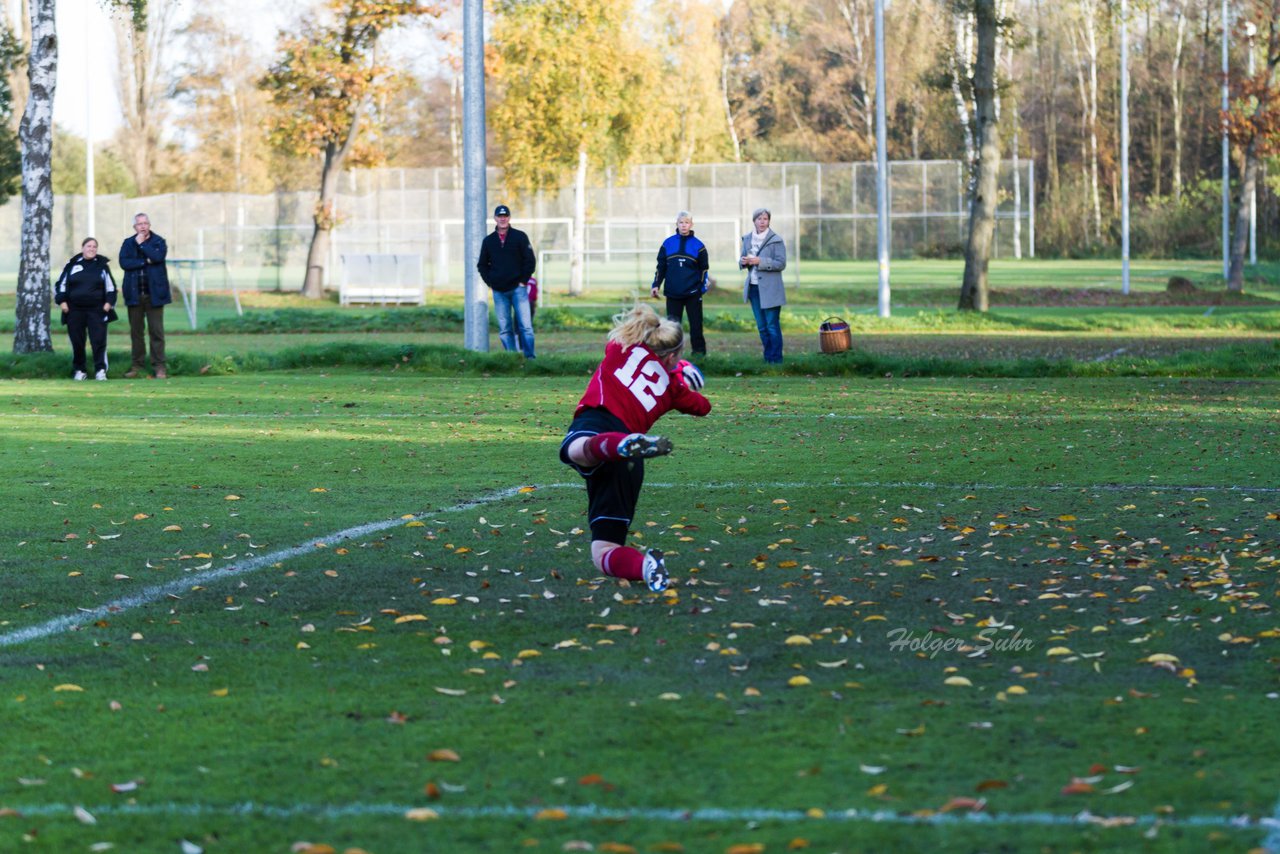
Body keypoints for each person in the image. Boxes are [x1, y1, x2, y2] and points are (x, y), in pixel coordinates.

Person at [559, 303, 711, 592]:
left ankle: (621, 444)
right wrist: (680, 375)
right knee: (604, 551)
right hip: (630, 464)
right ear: (676, 354)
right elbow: (703, 407)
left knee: (575, 450)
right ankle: (646, 567)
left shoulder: (622, 348)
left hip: (600, 422)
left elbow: (622, 342)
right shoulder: (673, 388)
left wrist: (675, 365)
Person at [476, 204, 536, 358]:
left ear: (509, 218)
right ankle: (512, 359)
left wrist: (523, 281)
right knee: (504, 328)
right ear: (495, 218)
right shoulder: (489, 241)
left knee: (526, 327)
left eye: (505, 216)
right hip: (499, 291)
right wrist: (491, 282)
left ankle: (530, 358)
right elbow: (482, 264)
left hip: (518, 289)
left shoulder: (520, 236)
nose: (502, 219)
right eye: (499, 216)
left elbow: (530, 260)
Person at [54, 238, 118, 381]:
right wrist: (62, 302)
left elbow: (111, 288)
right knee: (77, 341)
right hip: (74, 310)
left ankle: (100, 370)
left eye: (94, 246)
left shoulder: (102, 266)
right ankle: (79, 370)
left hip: (97, 310)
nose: (92, 249)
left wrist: (108, 305)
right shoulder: (72, 265)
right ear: (82, 248)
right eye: (89, 246)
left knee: (98, 341)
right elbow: (60, 285)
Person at [118, 212, 172, 379]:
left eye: (145, 223)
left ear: (149, 225)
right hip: (134, 295)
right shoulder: (128, 243)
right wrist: (144, 262)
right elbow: (124, 263)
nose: (142, 226)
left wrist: (142, 246)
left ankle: (159, 367)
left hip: (154, 296)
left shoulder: (158, 242)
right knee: (136, 333)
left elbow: (157, 257)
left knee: (156, 332)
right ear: (135, 227)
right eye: (139, 224)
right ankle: (137, 366)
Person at [650, 210, 709, 356]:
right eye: (681, 222)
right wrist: (656, 284)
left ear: (691, 224)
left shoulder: (699, 246)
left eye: (687, 222)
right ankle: (672, 355)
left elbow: (704, 269)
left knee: (696, 326)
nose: (684, 225)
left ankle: (699, 354)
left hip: (693, 293)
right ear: (677, 224)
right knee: (672, 328)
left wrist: (701, 288)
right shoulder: (667, 244)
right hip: (673, 293)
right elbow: (661, 267)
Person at [739, 207, 787, 364]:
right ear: (754, 221)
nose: (762, 221)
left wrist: (760, 261)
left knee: (772, 326)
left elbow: (781, 263)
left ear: (769, 221)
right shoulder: (747, 238)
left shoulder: (776, 240)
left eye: (765, 219)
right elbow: (742, 259)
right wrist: (744, 261)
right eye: (759, 219)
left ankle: (776, 360)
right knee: (762, 327)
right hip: (753, 288)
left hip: (771, 290)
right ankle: (768, 359)